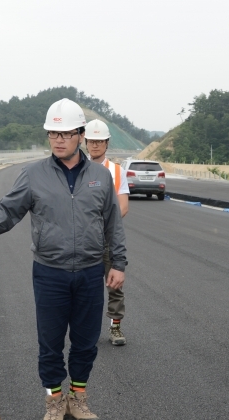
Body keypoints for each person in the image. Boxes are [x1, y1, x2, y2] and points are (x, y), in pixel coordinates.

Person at [0, 98, 127, 420]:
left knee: (85, 341)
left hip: (91, 271)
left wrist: (118, 263)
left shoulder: (100, 177)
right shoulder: (34, 174)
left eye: (65, 134)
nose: (58, 140)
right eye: (53, 134)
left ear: (80, 135)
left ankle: (77, 398)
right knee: (50, 342)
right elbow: (8, 209)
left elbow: (113, 225)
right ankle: (54, 402)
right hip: (50, 273)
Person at [85, 119, 130, 346]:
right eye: (92, 141)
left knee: (114, 284)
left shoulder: (117, 172)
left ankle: (115, 328)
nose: (95, 145)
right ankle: (86, 331)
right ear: (85, 143)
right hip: (83, 240)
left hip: (108, 239)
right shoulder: (76, 168)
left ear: (107, 143)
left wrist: (102, 225)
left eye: (99, 141)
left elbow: (123, 206)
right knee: (84, 287)